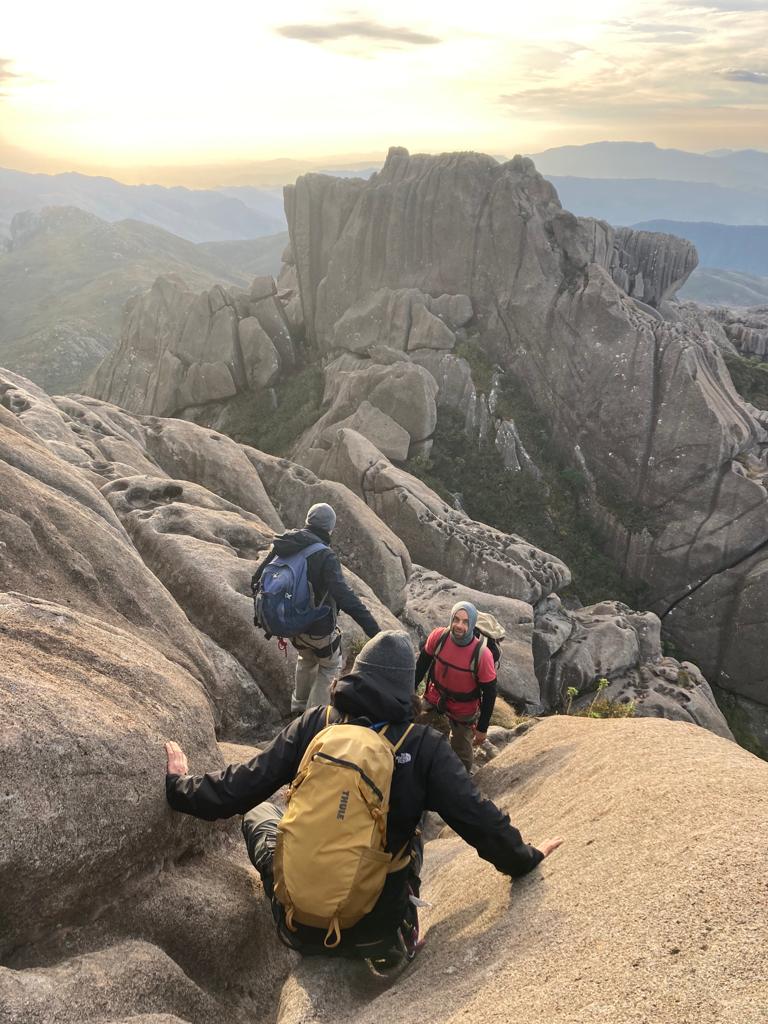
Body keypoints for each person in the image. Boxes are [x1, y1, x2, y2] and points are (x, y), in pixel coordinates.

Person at [165, 631, 563, 966]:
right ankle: (401, 930)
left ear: (357, 674)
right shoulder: (424, 746)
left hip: (297, 925)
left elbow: (240, 787)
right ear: (408, 688)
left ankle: (304, 893)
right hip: (373, 930)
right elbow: (477, 818)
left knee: (260, 812)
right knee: (413, 831)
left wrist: (180, 786)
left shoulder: (315, 724)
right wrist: (525, 858)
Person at [252, 502, 380, 713]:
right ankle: (313, 719)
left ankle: (298, 707)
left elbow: (257, 579)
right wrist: (375, 632)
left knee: (305, 658)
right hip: (317, 628)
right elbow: (345, 597)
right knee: (329, 666)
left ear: (308, 521)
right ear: (330, 528)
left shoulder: (285, 543)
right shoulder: (324, 555)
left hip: (291, 625)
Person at [415, 601, 497, 773]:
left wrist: (482, 729)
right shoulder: (439, 637)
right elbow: (421, 666)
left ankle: (461, 781)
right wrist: (408, 693)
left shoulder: (482, 655)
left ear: (472, 624)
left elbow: (490, 693)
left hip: (463, 709)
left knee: (462, 756)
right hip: (434, 696)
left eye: (465, 622)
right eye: (456, 620)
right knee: (411, 723)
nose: (459, 625)